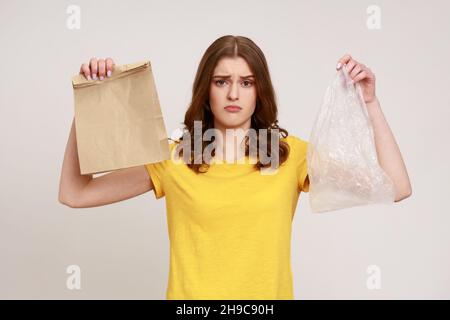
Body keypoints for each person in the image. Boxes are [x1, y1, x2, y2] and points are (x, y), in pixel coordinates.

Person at [58, 35, 412, 300]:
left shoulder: (288, 156)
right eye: (221, 81)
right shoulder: (175, 158)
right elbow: (76, 193)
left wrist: (370, 103)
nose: (233, 94)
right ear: (206, 90)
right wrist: (89, 102)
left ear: (259, 91)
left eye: (246, 82)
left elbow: (395, 187)